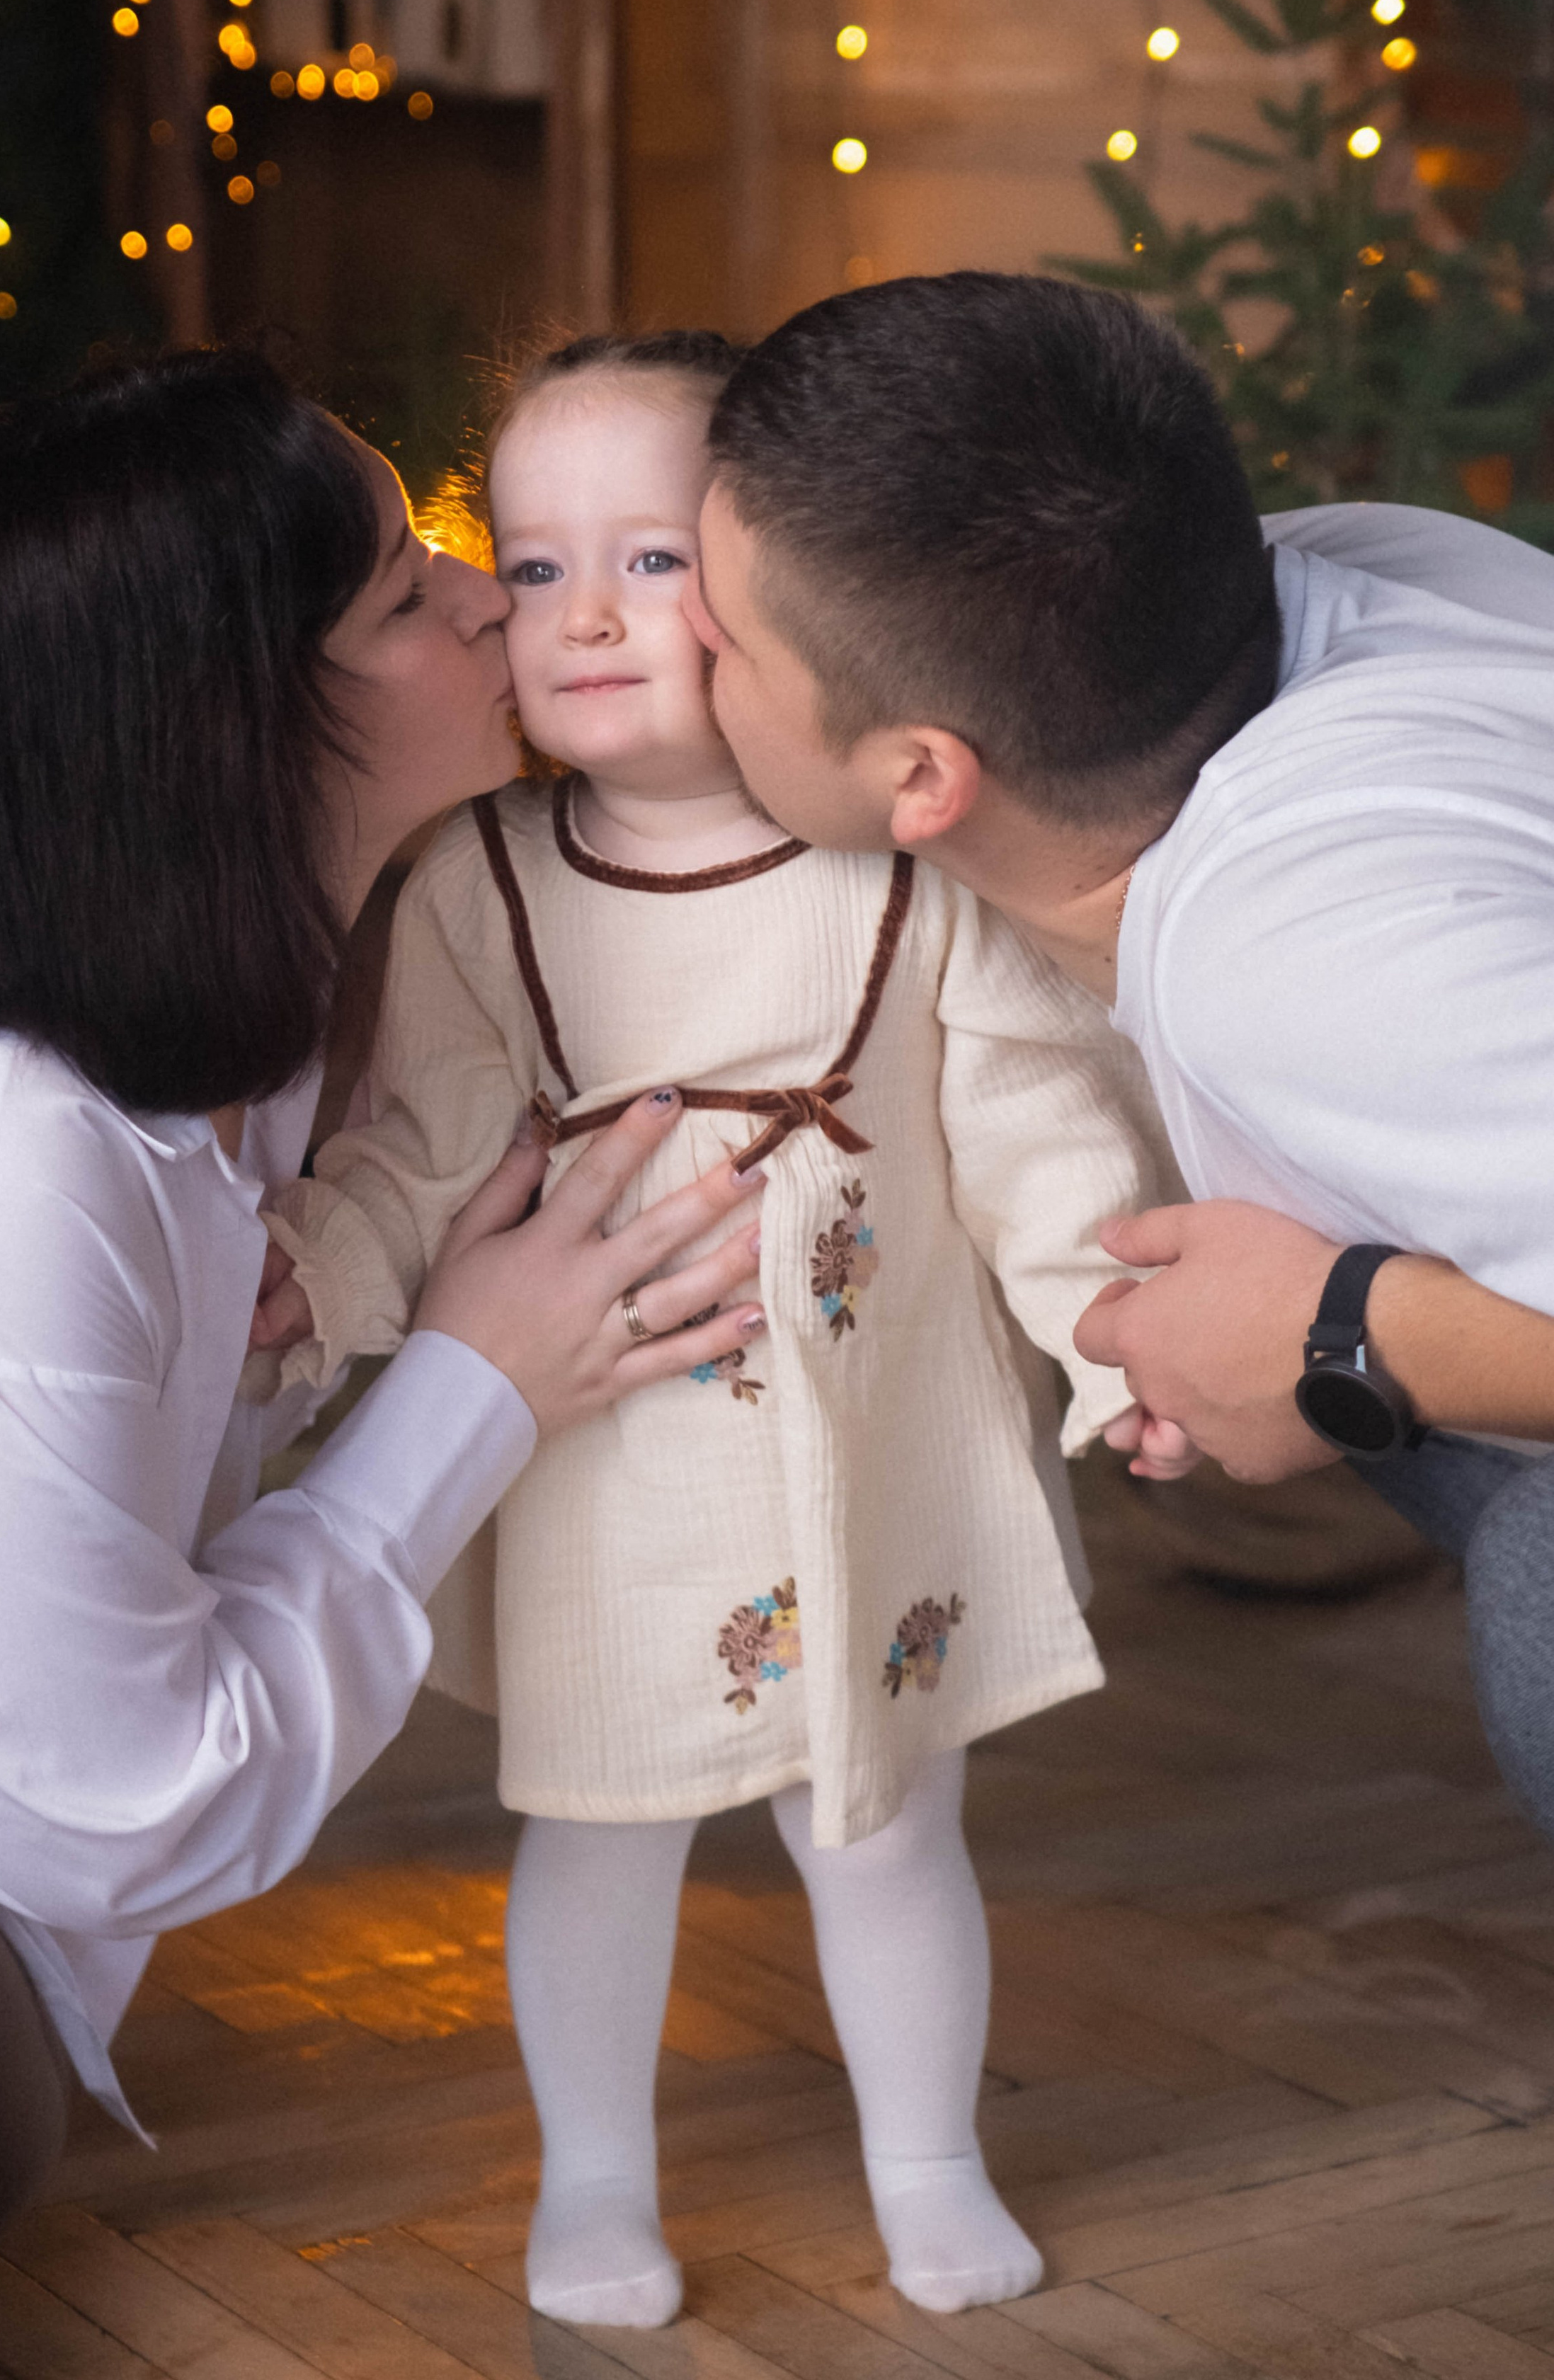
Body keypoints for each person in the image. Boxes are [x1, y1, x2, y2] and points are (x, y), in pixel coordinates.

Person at [0, 348, 765, 2380]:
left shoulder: (255, 971)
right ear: (221, 719)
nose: (488, 594)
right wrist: (478, 1384)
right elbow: (125, 1805)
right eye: (403, 589)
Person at [256, 330, 1176, 2327]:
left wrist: (1124, 1344)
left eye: (655, 561)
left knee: (889, 1820)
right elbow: (419, 1149)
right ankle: (591, 2180)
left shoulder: (900, 871)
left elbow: (1040, 1133)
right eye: (526, 561)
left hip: (876, 1449)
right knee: (598, 1833)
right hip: (610, 1470)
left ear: (781, 590)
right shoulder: (479, 888)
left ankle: (930, 2156)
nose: (583, 612)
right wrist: (322, 1274)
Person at [681, 268, 1554, 1833]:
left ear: (923, 776)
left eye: (723, 635)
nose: (674, 637)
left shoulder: (1298, 954)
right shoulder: (1300, 579)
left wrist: (1350, 1335)